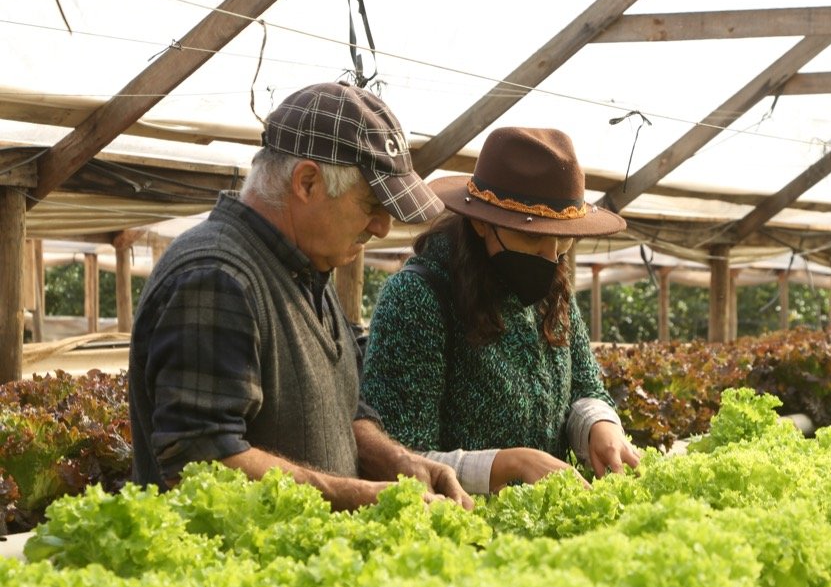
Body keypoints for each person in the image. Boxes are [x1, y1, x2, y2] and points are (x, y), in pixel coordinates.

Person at [129, 81, 472, 511]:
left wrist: (396, 459)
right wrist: (359, 496)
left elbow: (342, 408)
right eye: (371, 205)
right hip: (240, 577)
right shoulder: (216, 277)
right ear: (307, 182)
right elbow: (200, 463)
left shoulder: (305, 271)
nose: (383, 228)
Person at [359, 126, 640, 494]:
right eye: (532, 235)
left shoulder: (552, 292)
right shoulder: (418, 299)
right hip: (462, 533)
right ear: (481, 221)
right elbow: (396, 457)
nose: (551, 254)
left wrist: (598, 424)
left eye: (563, 237)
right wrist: (504, 466)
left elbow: (585, 388)